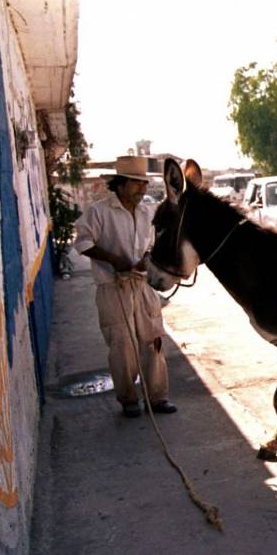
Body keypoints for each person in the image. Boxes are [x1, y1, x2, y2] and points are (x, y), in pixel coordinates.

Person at [73, 156, 176, 418]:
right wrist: (113, 259)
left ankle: (158, 397)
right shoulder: (99, 212)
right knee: (122, 346)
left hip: (142, 286)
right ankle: (129, 399)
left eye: (144, 184)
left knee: (153, 339)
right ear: (120, 185)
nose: (142, 190)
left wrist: (146, 259)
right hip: (113, 287)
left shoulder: (146, 213)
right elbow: (82, 242)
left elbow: (152, 245)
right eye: (136, 184)